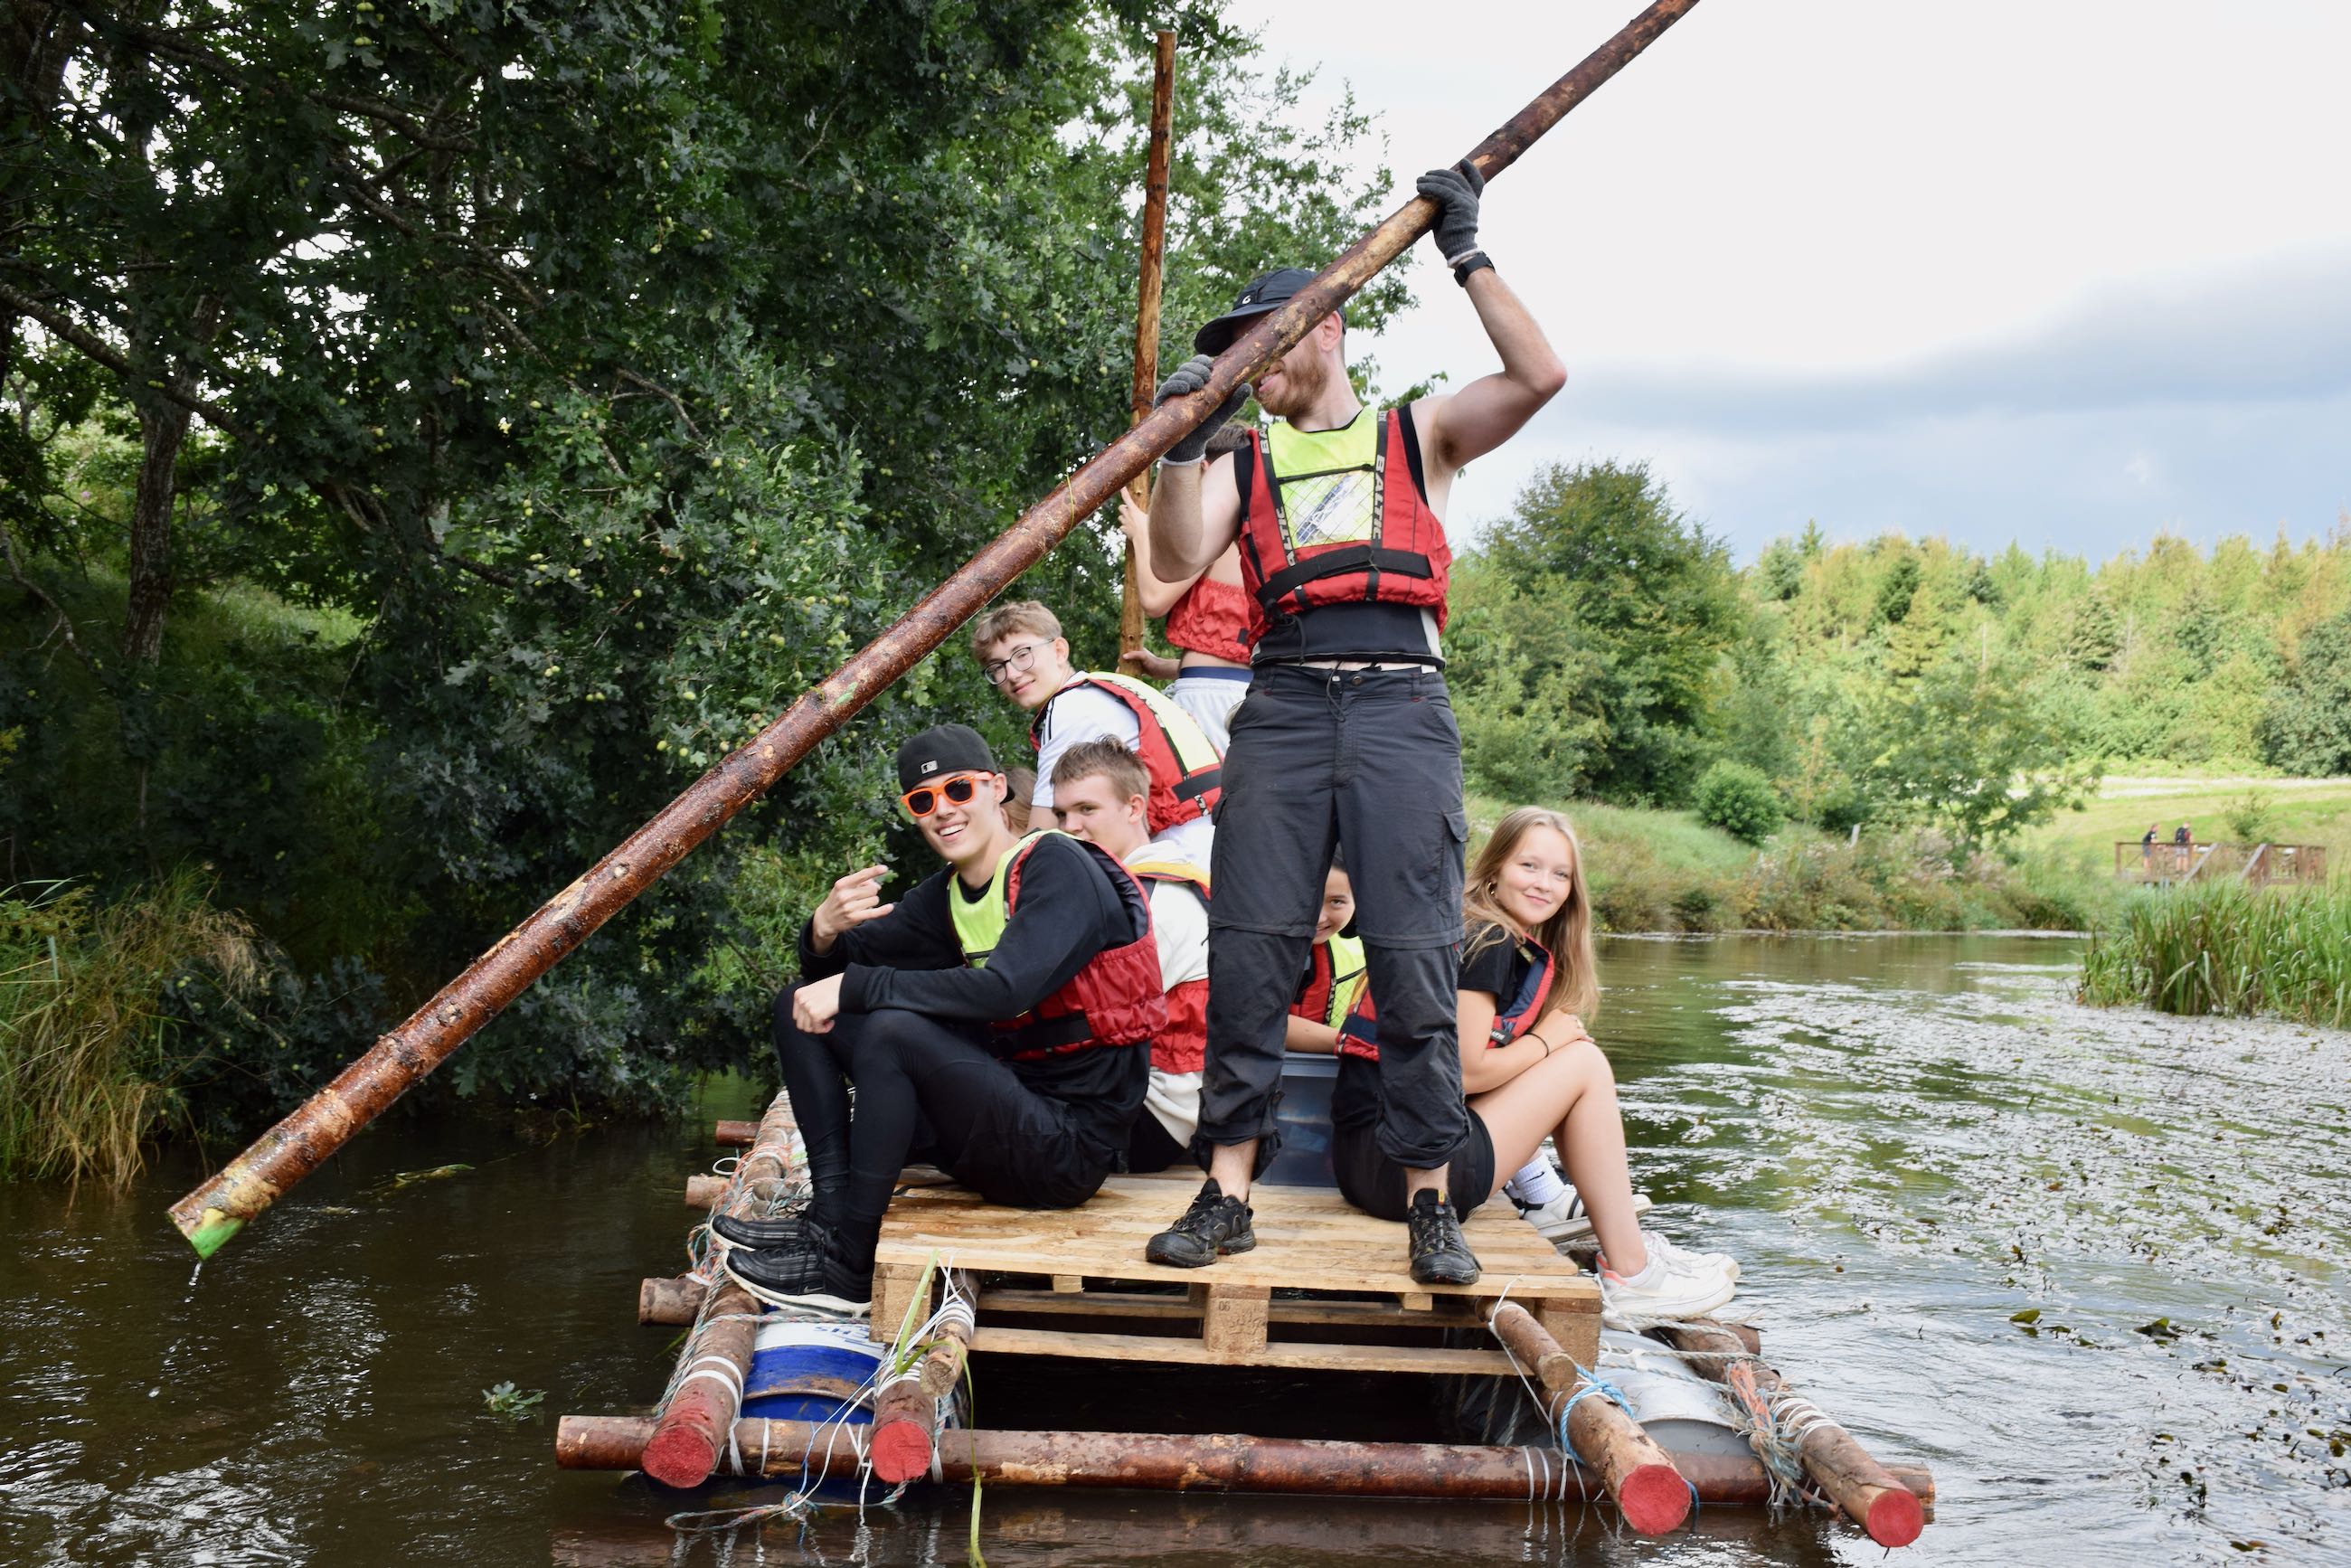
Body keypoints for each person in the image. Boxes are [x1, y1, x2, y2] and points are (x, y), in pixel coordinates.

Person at [1141, 159, 1565, 1285]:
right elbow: (1178, 560)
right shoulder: (1246, 459)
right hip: (1281, 707)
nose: (1246, 365)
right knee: (1248, 952)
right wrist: (1183, 439)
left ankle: (1432, 1205)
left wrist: (1465, 252)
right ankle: (1226, 1194)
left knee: (1417, 955)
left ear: (1317, 334)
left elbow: (1539, 373)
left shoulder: (1414, 434)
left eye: (1255, 344)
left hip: (1396, 706)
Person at [716, 724, 1162, 1316]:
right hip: (993, 1126)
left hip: (1064, 1153)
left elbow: (1006, 991)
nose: (942, 810)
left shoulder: (1060, 865)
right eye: (923, 801)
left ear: (997, 788)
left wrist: (859, 985)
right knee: (797, 1002)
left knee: (891, 1030)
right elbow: (834, 977)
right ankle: (828, 1222)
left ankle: (852, 1265)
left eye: (959, 790)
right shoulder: (946, 894)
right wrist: (823, 929)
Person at [1333, 807, 1739, 1326]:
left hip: (1371, 1163)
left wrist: (1546, 1045)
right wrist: (1548, 1042)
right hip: (1409, 1175)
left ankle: (1588, 1223)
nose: (1544, 884)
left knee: (1569, 1056)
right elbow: (1466, 1074)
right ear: (1496, 868)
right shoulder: (1490, 940)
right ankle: (1633, 1273)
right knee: (1585, 1063)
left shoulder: (1468, 927)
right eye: (1530, 866)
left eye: (1560, 874)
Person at [1048, 738, 1211, 1174]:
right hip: (1154, 1099)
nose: (1071, 826)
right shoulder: (1144, 883)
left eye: (1087, 809)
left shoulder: (1153, 899)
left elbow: (1084, 1015)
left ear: (1134, 808)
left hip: (1154, 1117)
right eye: (1062, 814)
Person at [970, 600, 1223, 866]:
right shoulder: (1102, 687)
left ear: (1059, 650)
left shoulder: (1069, 707)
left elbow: (1042, 836)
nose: (1011, 673)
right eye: (997, 667)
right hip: (1211, 833)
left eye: (1022, 654)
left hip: (1182, 851)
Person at [1117, 425, 1257, 751]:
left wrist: (1141, 533)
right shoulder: (1260, 537)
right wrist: (1164, 667)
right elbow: (1231, 654)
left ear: (1203, 469)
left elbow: (1154, 599)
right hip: (1247, 694)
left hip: (1208, 700)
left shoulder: (1215, 530)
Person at [1284, 850, 1368, 1054]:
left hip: (1336, 1072)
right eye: (1308, 899)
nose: (1319, 917)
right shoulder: (1258, 947)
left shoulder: (1370, 948)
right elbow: (1256, 1021)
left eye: (1336, 902)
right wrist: (1359, 1044)